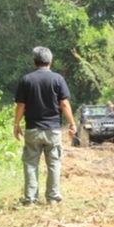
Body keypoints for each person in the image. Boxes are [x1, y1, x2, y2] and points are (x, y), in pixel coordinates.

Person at [14, 47, 76, 205]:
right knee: (54, 163)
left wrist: (16, 124)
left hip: (32, 129)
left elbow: (21, 105)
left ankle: (30, 199)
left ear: (34, 62)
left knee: (30, 163)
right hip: (53, 129)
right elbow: (64, 103)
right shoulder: (58, 79)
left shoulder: (26, 79)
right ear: (50, 62)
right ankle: (53, 197)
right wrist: (72, 123)